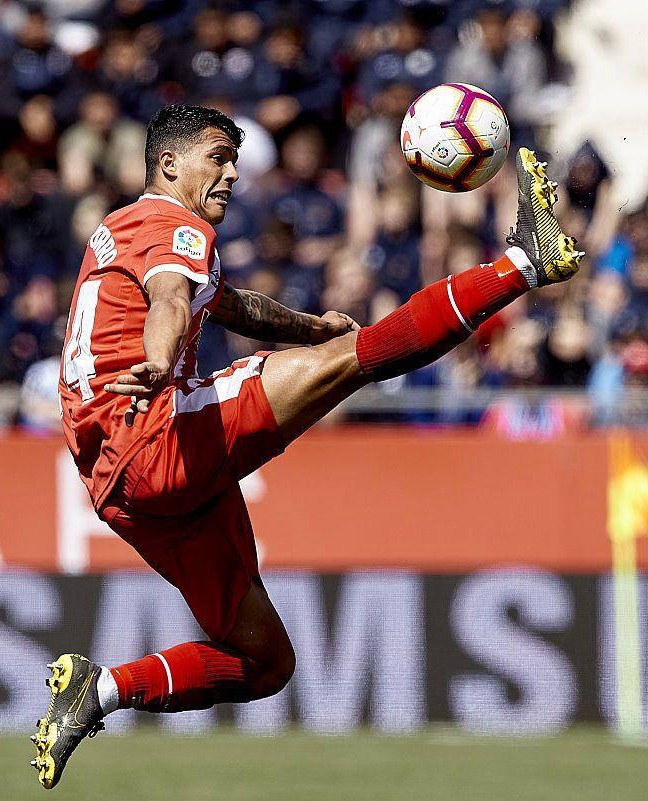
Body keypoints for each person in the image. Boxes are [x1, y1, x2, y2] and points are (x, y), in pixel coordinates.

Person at [33, 104, 583, 789]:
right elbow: (171, 302)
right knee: (363, 356)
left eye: (234, 161)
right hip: (155, 436)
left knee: (265, 663)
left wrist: (310, 328)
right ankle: (526, 262)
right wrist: (159, 358)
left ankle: (101, 690)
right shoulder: (174, 226)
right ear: (168, 164)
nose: (232, 175)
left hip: (124, 491)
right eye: (217, 158)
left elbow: (233, 306)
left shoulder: (125, 230)